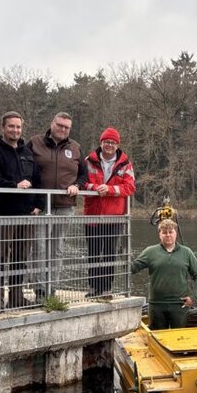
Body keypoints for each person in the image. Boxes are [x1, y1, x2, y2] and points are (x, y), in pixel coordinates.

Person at [27, 112, 87, 300]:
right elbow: (25, 168)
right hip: (40, 206)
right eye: (60, 125)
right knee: (39, 248)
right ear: (52, 123)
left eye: (66, 127)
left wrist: (77, 186)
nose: (62, 129)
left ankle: (52, 289)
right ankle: (40, 291)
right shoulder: (35, 143)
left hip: (64, 206)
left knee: (57, 249)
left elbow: (84, 175)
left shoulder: (75, 147)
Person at [0, 111, 42, 310]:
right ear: (3, 127)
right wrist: (14, 186)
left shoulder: (27, 152)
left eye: (18, 127)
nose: (15, 130)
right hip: (2, 212)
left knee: (20, 257)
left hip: (25, 214)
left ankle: (17, 297)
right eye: (11, 126)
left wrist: (38, 204)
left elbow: (37, 180)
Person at [82, 127, 135, 299]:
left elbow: (130, 187)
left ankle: (106, 289)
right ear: (101, 143)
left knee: (109, 254)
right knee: (93, 253)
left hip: (114, 217)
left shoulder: (125, 164)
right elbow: (82, 182)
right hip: (93, 216)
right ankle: (93, 288)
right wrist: (95, 188)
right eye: (106, 142)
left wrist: (110, 189)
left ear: (117, 144)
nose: (109, 145)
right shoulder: (89, 161)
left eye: (112, 142)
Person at [130, 218, 197, 330]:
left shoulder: (186, 252)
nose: (168, 235)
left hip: (180, 305)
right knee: (157, 336)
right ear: (159, 235)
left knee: (180, 337)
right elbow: (132, 268)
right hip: (156, 305)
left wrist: (193, 298)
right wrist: (122, 257)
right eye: (164, 232)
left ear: (176, 234)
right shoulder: (150, 252)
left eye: (171, 232)